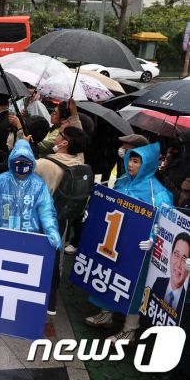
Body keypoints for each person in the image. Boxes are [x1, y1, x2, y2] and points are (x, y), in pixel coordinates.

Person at [85, 142, 173, 343]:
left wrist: (153, 238)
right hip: (116, 242)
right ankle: (106, 312)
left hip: (138, 249)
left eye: (137, 161)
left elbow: (165, 222)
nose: (131, 165)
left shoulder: (157, 193)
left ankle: (130, 329)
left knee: (134, 286)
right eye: (130, 160)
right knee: (109, 275)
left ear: (148, 164)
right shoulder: (123, 181)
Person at [34, 125, 89, 314]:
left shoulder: (44, 164)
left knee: (34, 255)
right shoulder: (79, 162)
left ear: (65, 142)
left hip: (39, 220)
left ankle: (29, 293)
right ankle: (50, 303)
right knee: (55, 259)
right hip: (62, 219)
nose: (56, 137)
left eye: (59, 135)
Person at [0, 139, 62, 250]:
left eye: (25, 163)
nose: (21, 166)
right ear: (11, 162)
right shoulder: (0, 181)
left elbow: (46, 211)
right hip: (1, 234)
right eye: (18, 163)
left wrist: (51, 230)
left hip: (29, 237)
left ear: (32, 163)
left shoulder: (38, 185)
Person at [151, 232, 190, 312]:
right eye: (176, 254)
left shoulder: (186, 303)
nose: (178, 264)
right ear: (171, 256)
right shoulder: (158, 283)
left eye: (184, 259)